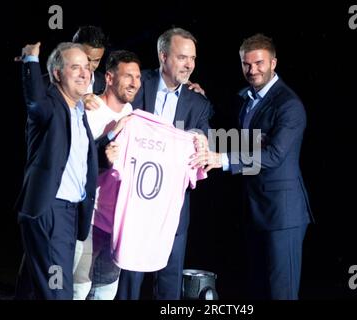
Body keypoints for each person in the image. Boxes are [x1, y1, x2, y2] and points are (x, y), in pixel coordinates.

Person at [205, 34, 313, 299]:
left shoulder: (289, 104)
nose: (252, 70)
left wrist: (224, 159)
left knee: (281, 293)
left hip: (282, 214)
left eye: (259, 63)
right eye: (246, 64)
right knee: (258, 289)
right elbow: (236, 136)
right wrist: (199, 95)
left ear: (274, 62)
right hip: (254, 210)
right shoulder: (245, 97)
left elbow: (274, 155)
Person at [116, 27, 213, 300]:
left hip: (173, 208)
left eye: (192, 58)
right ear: (163, 56)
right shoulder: (136, 84)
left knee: (169, 286)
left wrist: (200, 139)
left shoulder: (197, 102)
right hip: (132, 204)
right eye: (182, 57)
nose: (190, 65)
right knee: (127, 282)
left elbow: (203, 133)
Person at [14, 42, 98, 299]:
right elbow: (35, 101)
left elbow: (75, 156)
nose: (85, 73)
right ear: (58, 74)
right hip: (51, 212)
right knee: (58, 290)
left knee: (35, 290)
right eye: (76, 67)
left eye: (87, 67)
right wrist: (31, 61)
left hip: (69, 215)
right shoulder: (49, 104)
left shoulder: (79, 109)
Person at [73, 50, 141, 300]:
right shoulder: (90, 110)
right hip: (89, 221)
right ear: (110, 78)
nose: (134, 82)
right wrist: (109, 138)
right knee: (77, 289)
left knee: (105, 292)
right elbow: (75, 161)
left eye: (137, 77)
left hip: (118, 225)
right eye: (128, 76)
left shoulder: (135, 115)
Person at [72, 25, 108, 94]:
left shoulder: (107, 85)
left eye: (96, 60)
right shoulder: (48, 84)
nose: (90, 66)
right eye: (86, 59)